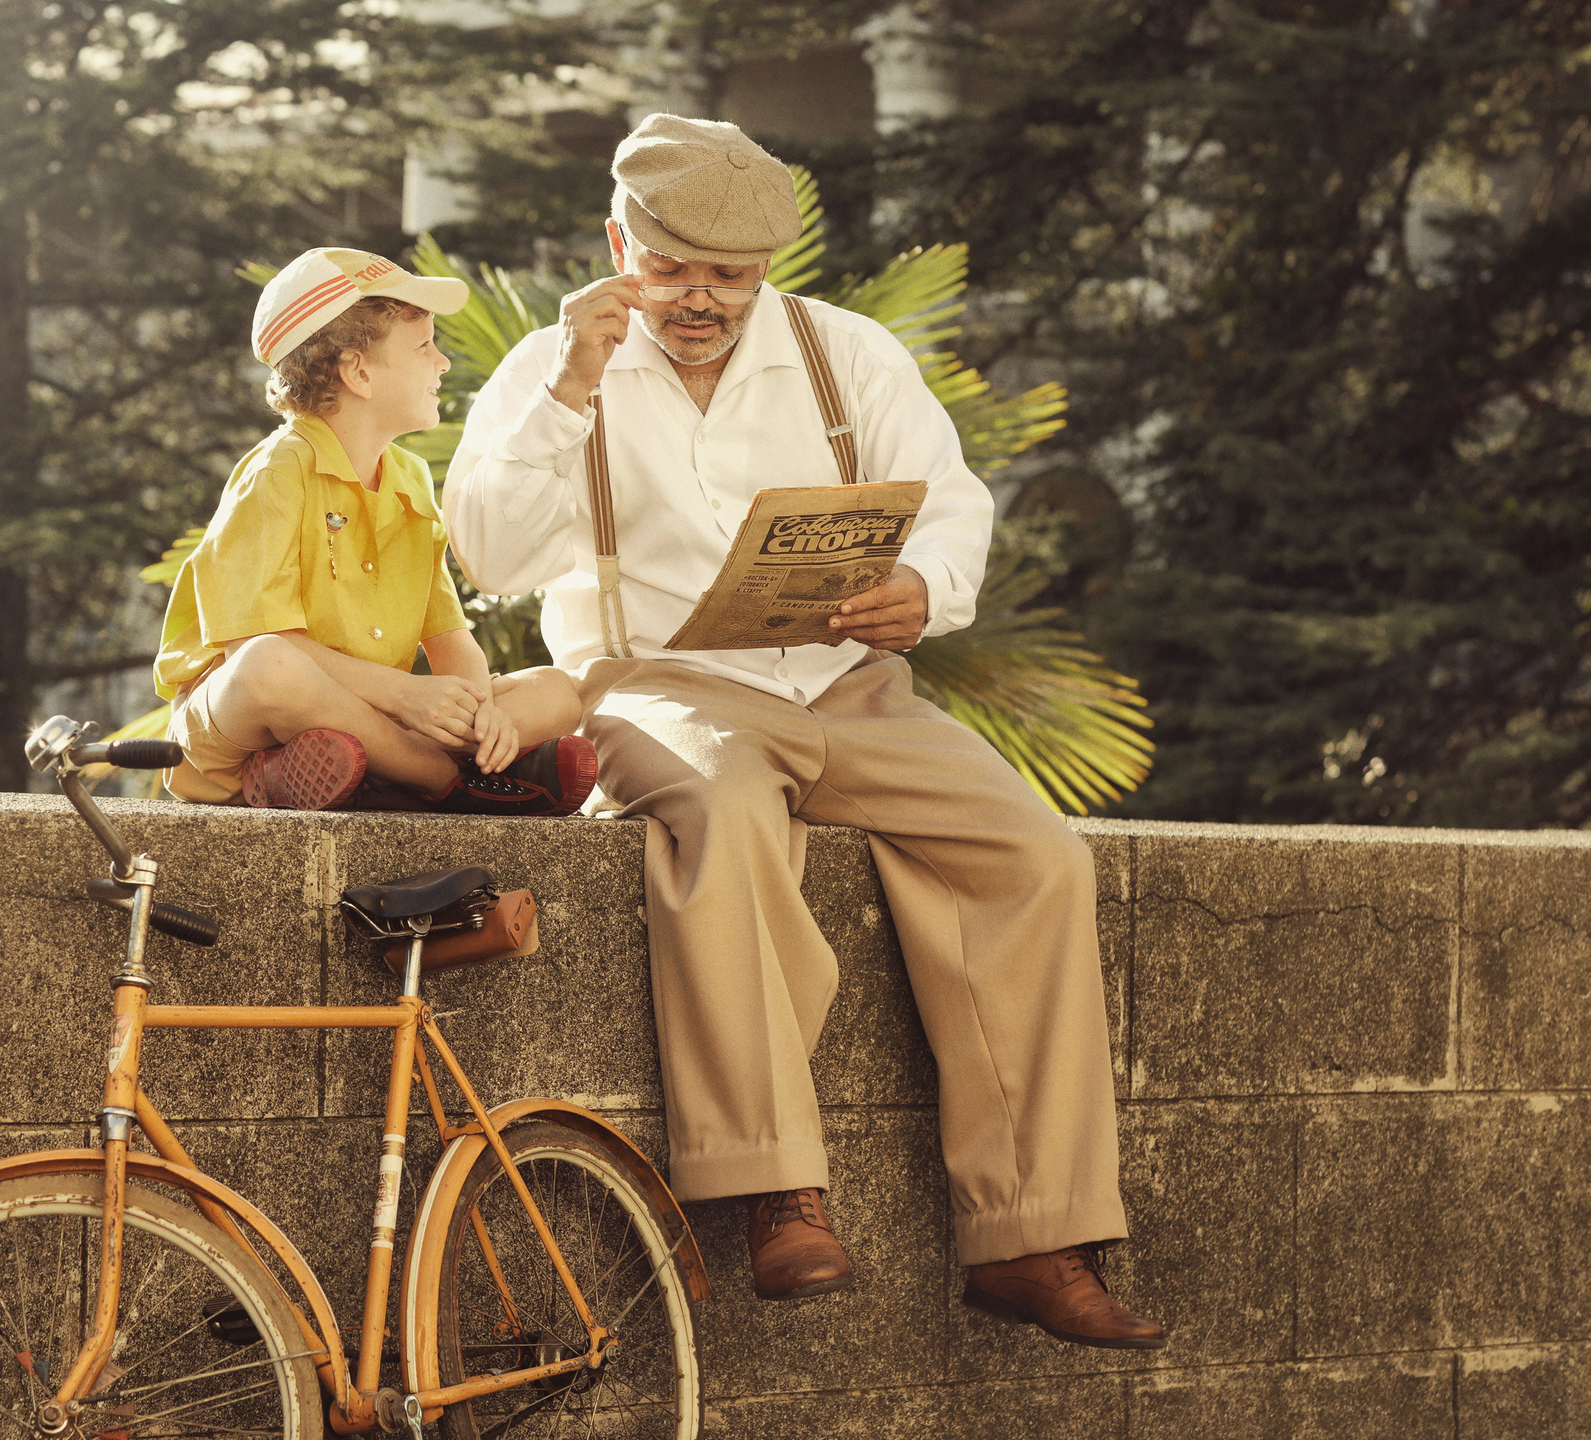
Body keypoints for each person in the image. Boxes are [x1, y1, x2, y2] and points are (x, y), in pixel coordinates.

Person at [444, 115, 1166, 1349]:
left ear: (765, 269)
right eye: (672, 270)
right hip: (659, 682)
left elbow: (949, 507)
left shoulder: (849, 355)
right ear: (621, 244)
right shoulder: (552, 368)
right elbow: (487, 554)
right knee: (722, 809)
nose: (699, 300)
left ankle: (1031, 1234)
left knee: (1038, 858)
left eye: (728, 276)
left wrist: (923, 593)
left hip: (849, 687)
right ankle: (775, 1187)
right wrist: (568, 389)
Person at [153, 247, 596, 815]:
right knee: (271, 666)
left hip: (373, 718)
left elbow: (449, 639)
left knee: (558, 692)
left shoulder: (409, 478)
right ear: (359, 372)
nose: (442, 363)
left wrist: (481, 712)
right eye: (423, 346)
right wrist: (408, 696)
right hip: (243, 726)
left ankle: (373, 772)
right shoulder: (276, 472)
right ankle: (445, 779)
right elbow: (256, 647)